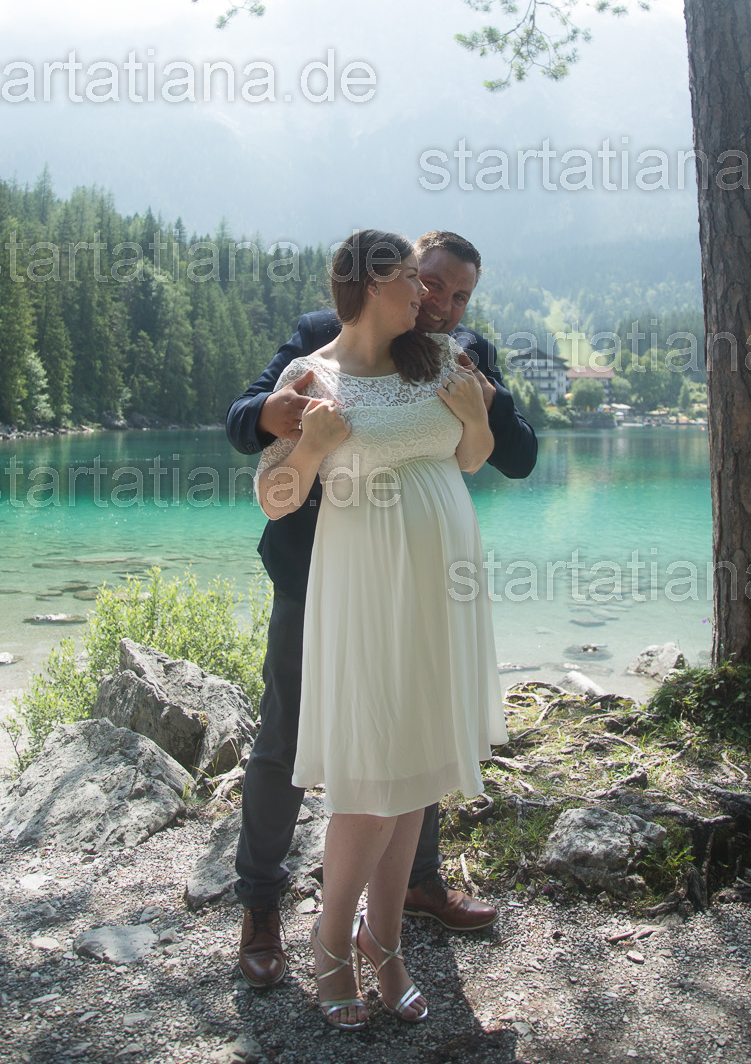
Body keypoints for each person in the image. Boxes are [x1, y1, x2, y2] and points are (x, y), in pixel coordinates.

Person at [226, 229, 537, 989]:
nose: (441, 303)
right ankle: (266, 905)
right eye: (429, 284)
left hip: (434, 580)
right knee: (293, 736)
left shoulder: (453, 354)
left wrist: (480, 411)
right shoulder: (316, 348)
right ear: (393, 279)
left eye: (460, 296)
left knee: (418, 739)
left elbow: (502, 455)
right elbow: (249, 431)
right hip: (327, 574)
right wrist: (288, 424)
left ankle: (401, 910)